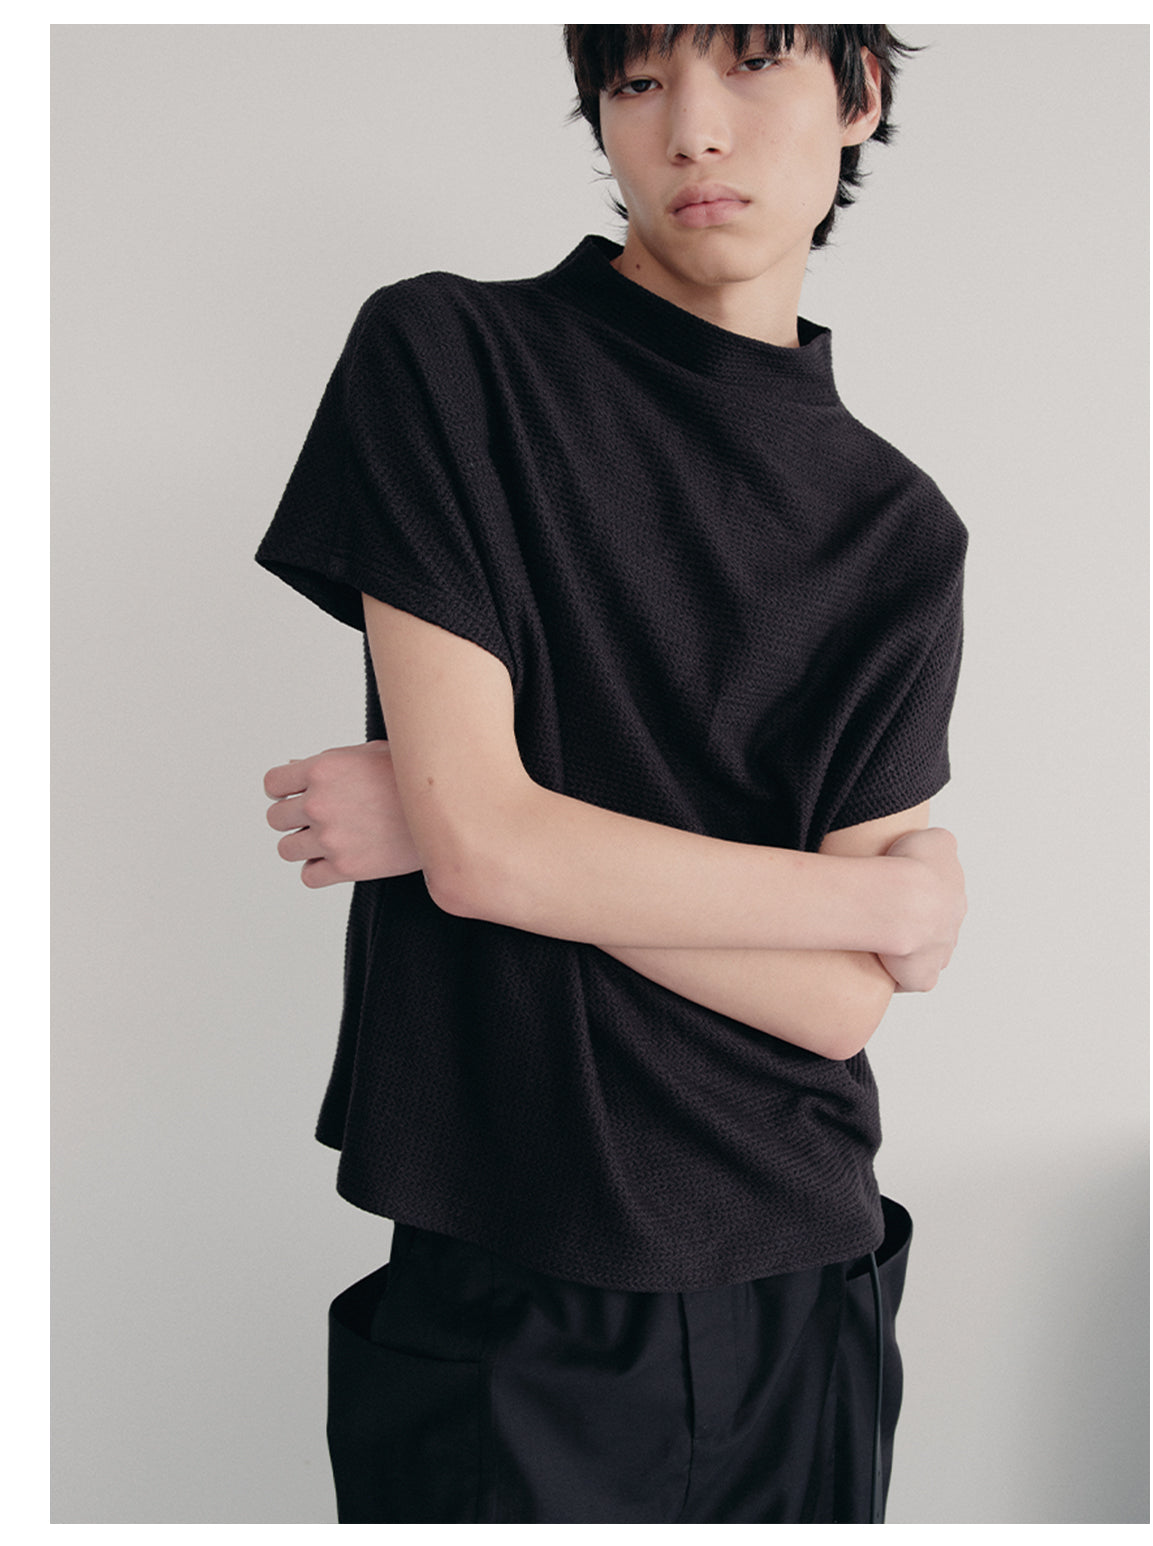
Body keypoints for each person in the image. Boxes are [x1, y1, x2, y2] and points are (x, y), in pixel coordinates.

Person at [255, 23, 967, 1525]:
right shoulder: (450, 355)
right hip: (517, 1275)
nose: (692, 129)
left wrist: (468, 821)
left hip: (807, 1274)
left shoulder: (900, 529)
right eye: (640, 82)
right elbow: (488, 854)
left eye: (751, 65)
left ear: (860, 93)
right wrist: (883, 907)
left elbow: (838, 1006)